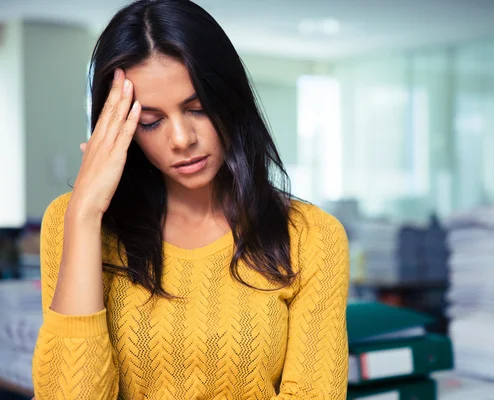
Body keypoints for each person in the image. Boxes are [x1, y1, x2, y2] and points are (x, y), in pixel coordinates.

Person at [30, 0, 350, 398]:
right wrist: (84, 214)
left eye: (197, 109)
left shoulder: (310, 236)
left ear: (230, 100)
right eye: (151, 121)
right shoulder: (74, 223)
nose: (181, 140)